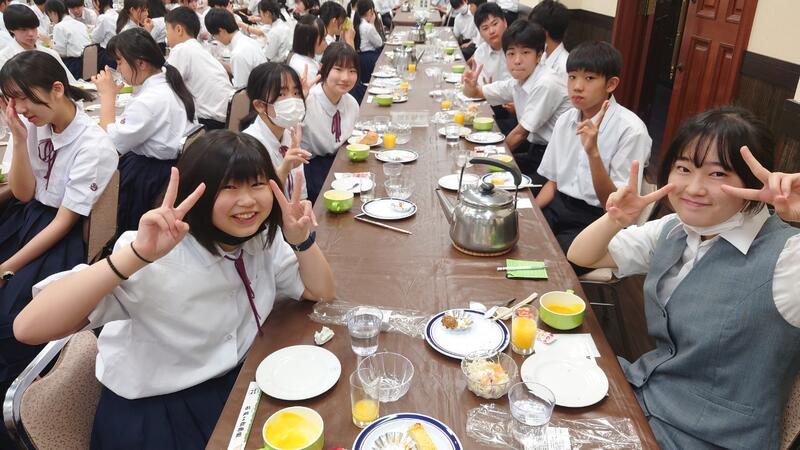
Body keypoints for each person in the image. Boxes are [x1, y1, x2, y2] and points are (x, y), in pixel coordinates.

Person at [13, 130, 335, 450]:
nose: (248, 200)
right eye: (229, 187)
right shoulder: (154, 254)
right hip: (159, 414)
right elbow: (28, 328)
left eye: (257, 184)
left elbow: (320, 292)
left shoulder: (259, 238)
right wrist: (135, 256)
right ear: (196, 193)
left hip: (237, 384)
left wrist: (301, 241)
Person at [567, 106, 800, 450]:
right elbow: (582, 256)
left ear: (755, 182)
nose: (694, 188)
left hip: (709, 439)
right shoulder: (676, 229)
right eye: (684, 168)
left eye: (717, 174)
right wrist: (615, 219)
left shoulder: (788, 258)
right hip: (645, 398)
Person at [0, 52, 117, 443]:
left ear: (56, 88)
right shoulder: (35, 125)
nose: (19, 108)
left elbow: (64, 222)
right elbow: (24, 193)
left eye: (24, 97)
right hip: (30, 217)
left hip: (57, 234)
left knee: (10, 319)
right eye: (11, 99)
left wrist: (8, 267)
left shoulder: (93, 145)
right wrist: (20, 140)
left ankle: (20, 395)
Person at [535, 41, 651, 274]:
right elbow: (553, 182)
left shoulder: (631, 130)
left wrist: (593, 154)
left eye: (589, 78)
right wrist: (530, 213)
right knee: (515, 239)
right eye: (572, 77)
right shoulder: (566, 120)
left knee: (543, 267)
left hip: (596, 221)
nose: (577, 87)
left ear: (611, 84)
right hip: (558, 207)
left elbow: (615, 206)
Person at [94, 27, 195, 233]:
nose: (118, 68)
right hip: (169, 168)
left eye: (120, 62)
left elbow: (109, 144)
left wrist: (107, 96)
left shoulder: (150, 100)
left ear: (141, 63)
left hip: (150, 176)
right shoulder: (169, 81)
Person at [462, 19, 570, 177]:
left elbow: (520, 134)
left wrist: (488, 161)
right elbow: (476, 93)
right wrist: (470, 86)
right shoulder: (518, 80)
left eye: (525, 53)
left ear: (539, 55)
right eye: (511, 54)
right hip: (537, 152)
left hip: (559, 162)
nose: (517, 61)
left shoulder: (546, 82)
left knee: (486, 176)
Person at [242, 62, 312, 200]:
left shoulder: (288, 134)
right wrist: (284, 170)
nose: (293, 101)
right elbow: (258, 202)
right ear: (260, 105)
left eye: (296, 93)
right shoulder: (249, 147)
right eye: (281, 94)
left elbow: (299, 190)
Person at [301, 42, 359, 202]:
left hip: (341, 165)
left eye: (352, 71)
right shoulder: (306, 102)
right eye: (338, 69)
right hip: (310, 171)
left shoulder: (351, 103)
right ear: (323, 68)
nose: (345, 78)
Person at [165, 6, 233, 129]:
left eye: (167, 29)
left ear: (179, 30)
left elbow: (164, 85)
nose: (166, 35)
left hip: (210, 123)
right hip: (228, 116)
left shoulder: (181, 49)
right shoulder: (199, 48)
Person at [0, 4, 76, 82]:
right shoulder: (5, 58)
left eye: (33, 28)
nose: (31, 34)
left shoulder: (50, 54)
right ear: (11, 29)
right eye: (23, 29)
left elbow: (70, 82)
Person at [469, 3, 513, 134]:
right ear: (480, 33)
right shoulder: (480, 53)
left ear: (505, 22)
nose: (492, 31)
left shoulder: (519, 49)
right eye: (485, 28)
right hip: (493, 105)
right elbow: (480, 88)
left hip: (519, 110)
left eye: (495, 24)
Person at [204, 7, 265, 88]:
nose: (216, 39)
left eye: (214, 36)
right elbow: (240, 69)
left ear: (221, 31)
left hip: (256, 92)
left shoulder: (237, 54)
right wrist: (218, 62)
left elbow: (241, 90)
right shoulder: (249, 41)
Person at [45, 0, 90, 80]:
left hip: (74, 65)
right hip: (89, 62)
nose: (51, 19)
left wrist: (49, 42)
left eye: (49, 16)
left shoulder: (59, 27)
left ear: (53, 13)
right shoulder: (80, 24)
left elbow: (60, 53)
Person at [528, 0, 568, 75]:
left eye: (532, 28)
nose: (529, 32)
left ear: (542, 32)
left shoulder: (564, 67)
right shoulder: (542, 54)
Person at [287, 14, 325, 83]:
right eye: (323, 38)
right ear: (309, 40)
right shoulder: (307, 70)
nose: (326, 43)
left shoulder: (297, 57)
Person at [353, 0, 381, 83]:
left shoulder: (356, 23)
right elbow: (379, 43)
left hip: (360, 57)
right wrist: (372, 23)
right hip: (369, 58)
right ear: (370, 11)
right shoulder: (368, 27)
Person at [91, 0, 118, 69]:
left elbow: (95, 39)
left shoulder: (103, 18)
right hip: (119, 52)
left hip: (108, 55)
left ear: (97, 2)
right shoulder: (117, 15)